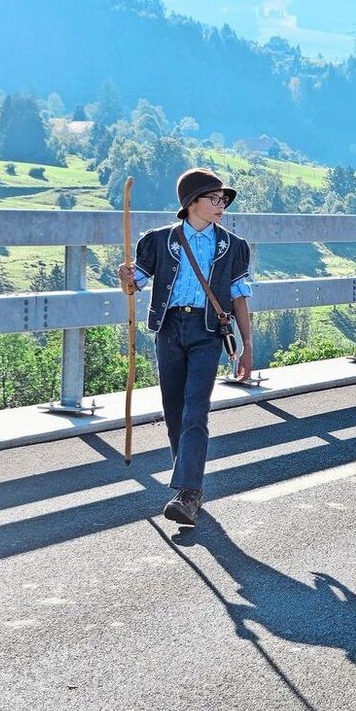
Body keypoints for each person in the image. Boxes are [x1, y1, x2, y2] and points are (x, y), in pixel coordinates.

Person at [118, 168, 254, 527]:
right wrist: (126, 279)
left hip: (208, 331)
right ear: (191, 203)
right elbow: (137, 286)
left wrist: (247, 345)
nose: (221, 204)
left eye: (223, 199)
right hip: (169, 329)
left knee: (197, 409)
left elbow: (239, 297)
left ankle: (189, 493)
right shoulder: (158, 241)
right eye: (214, 198)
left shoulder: (233, 247)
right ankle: (187, 488)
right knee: (174, 410)